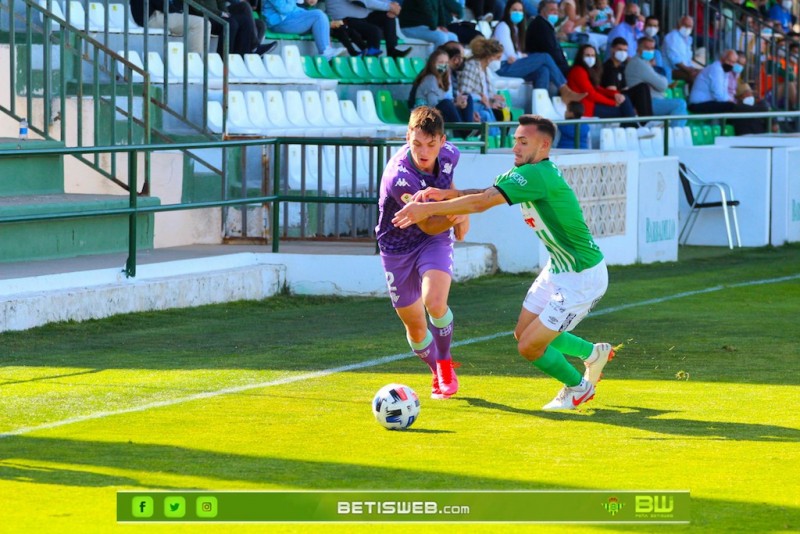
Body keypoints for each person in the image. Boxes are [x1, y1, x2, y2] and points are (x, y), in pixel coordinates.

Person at [392, 114, 615, 411]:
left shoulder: (537, 175)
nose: (515, 148)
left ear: (544, 145)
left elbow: (481, 204)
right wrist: (447, 194)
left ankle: (578, 388)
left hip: (582, 276)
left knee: (530, 346)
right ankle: (592, 353)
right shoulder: (528, 172)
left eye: (523, 142)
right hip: (559, 269)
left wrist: (429, 208)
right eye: (515, 141)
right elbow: (485, 194)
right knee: (523, 333)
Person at [376, 106, 468, 400]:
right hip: (398, 247)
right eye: (416, 144)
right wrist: (459, 214)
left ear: (442, 141)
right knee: (416, 328)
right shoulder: (400, 178)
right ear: (407, 138)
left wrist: (460, 209)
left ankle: (444, 364)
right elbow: (428, 223)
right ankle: (435, 369)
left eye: (430, 144)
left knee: (435, 302)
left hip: (433, 241)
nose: (423, 151)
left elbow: (447, 186)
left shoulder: (451, 154)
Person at [492, 0, 587, 103]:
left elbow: (516, 56)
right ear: (507, 11)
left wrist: (522, 55)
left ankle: (540, 104)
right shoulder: (503, 27)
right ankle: (564, 89)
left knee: (543, 70)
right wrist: (522, 56)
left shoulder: (516, 29)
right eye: (514, 10)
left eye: (520, 10)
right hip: (503, 67)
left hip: (512, 65)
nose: (518, 13)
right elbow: (511, 57)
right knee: (545, 57)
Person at [688, 49, 767, 134]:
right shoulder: (715, 69)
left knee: (740, 109)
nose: (731, 64)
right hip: (698, 105)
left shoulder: (724, 71)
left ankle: (756, 132)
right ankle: (744, 134)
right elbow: (719, 95)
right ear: (723, 59)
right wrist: (733, 102)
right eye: (729, 61)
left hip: (710, 103)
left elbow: (723, 94)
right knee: (732, 107)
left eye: (733, 62)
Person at [408, 48, 476, 137]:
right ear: (433, 64)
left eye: (446, 63)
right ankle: (465, 131)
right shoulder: (430, 79)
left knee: (467, 97)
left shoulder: (442, 79)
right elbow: (433, 105)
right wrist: (455, 104)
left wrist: (459, 103)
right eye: (440, 62)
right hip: (424, 116)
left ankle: (468, 128)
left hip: (436, 114)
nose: (443, 65)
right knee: (447, 103)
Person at [625, 36, 689, 126]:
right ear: (638, 48)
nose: (650, 51)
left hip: (654, 100)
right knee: (680, 104)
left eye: (652, 48)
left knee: (682, 111)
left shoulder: (644, 62)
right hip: (647, 104)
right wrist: (662, 80)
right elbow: (662, 85)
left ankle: (673, 134)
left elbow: (659, 82)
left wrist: (658, 80)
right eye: (647, 48)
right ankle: (672, 136)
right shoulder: (639, 64)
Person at [567, 44, 637, 118]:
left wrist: (615, 94)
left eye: (593, 55)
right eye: (587, 55)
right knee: (623, 110)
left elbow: (597, 88)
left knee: (624, 98)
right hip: (585, 107)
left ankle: (634, 127)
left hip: (591, 104)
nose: (590, 58)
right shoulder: (578, 71)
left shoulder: (589, 70)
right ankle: (635, 126)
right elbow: (591, 94)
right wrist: (612, 103)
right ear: (581, 57)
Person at [262, 0, 347, 60]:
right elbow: (284, 9)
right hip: (278, 23)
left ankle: (328, 50)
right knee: (318, 15)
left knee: (320, 16)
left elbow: (294, 10)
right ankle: (326, 52)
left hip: (289, 20)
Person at [324, 0, 411, 58]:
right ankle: (371, 59)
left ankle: (392, 51)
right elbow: (361, 1)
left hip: (362, 18)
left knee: (388, 16)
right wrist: (389, 7)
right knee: (375, 31)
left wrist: (393, 6)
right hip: (343, 21)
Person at [458, 37, 507, 135]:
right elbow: (464, 92)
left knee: (504, 111)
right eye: (497, 57)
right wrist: (483, 99)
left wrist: (493, 99)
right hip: (473, 105)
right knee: (486, 115)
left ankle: (498, 139)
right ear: (489, 56)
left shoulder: (486, 70)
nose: (499, 61)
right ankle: (494, 141)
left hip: (483, 104)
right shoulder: (471, 66)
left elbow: (486, 94)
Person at [190, 0, 274, 56]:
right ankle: (252, 49)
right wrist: (220, 13)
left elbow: (220, 1)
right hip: (202, 14)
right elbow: (196, 6)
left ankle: (243, 57)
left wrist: (225, 12)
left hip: (217, 13)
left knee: (259, 24)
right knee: (232, 22)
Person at [130, 0, 208, 54]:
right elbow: (161, 4)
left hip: (164, 12)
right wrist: (178, 11)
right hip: (151, 16)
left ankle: (201, 62)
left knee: (207, 24)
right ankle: (194, 64)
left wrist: (179, 10)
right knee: (199, 23)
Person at [524, 0, 571, 77]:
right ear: (543, 11)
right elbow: (550, 50)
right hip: (545, 64)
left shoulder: (545, 24)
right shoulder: (540, 25)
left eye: (557, 10)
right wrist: (564, 66)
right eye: (552, 10)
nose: (556, 13)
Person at [663, 16, 702, 83]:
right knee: (695, 75)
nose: (687, 28)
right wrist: (688, 70)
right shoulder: (672, 37)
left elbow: (687, 61)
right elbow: (674, 59)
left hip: (683, 69)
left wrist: (693, 69)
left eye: (690, 26)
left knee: (704, 73)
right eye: (685, 25)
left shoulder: (688, 39)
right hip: (670, 70)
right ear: (679, 25)